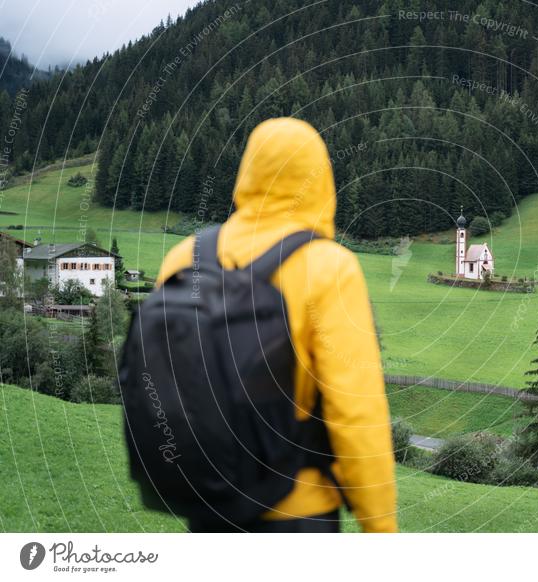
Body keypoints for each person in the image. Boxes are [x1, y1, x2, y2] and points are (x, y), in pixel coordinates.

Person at [156, 118, 397, 533]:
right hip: (296, 513)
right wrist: (381, 529)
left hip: (209, 509)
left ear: (248, 172)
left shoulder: (183, 257)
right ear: (320, 178)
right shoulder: (329, 267)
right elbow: (356, 413)